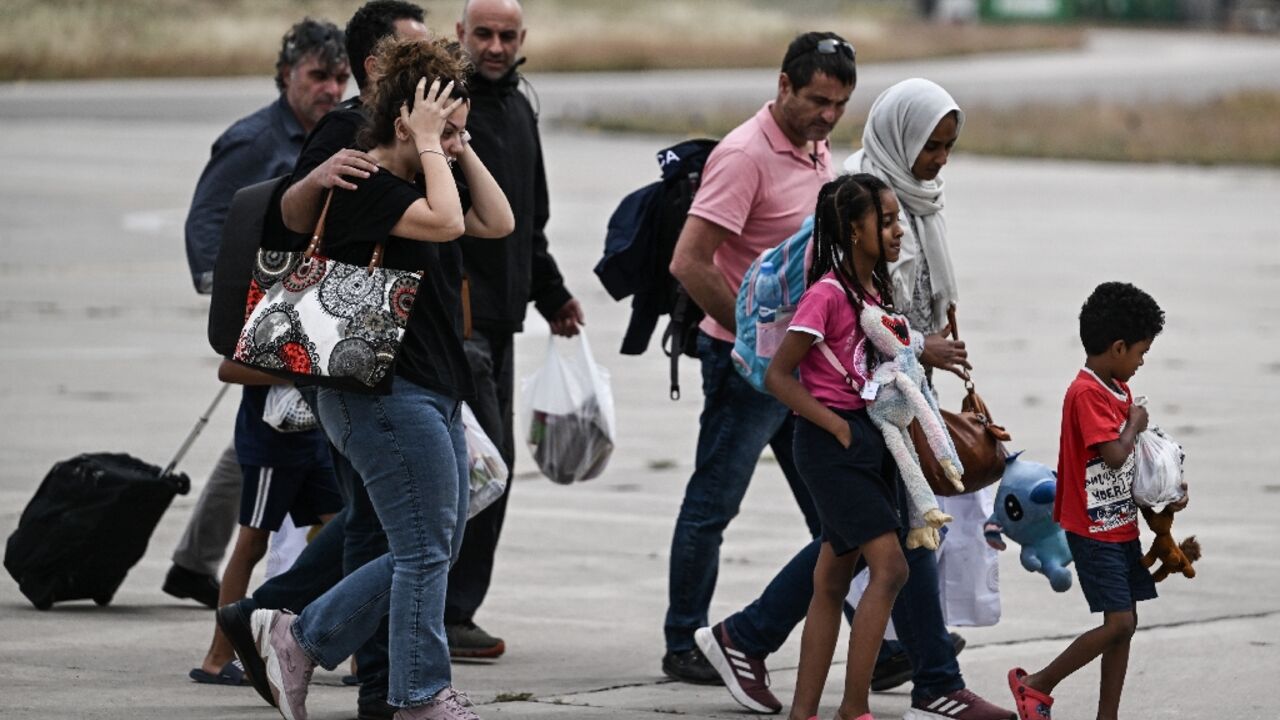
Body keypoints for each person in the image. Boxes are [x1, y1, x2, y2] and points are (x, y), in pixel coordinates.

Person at [696, 79, 1014, 720]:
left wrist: (925, 363)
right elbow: (829, 342)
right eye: (933, 146)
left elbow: (891, 322)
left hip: (884, 413)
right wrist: (853, 411)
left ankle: (764, 651)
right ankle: (916, 686)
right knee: (893, 550)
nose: (941, 159)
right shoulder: (856, 209)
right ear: (902, 137)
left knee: (851, 556)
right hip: (851, 419)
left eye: (949, 146)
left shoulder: (910, 204)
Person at [242, 37, 513, 720]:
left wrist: (455, 140)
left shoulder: (430, 173)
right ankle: (419, 694)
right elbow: (450, 223)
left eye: (458, 131)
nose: (452, 143)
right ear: (403, 125)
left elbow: (495, 220)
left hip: (429, 389)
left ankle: (300, 635)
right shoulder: (366, 182)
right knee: (423, 549)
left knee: (435, 547)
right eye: (444, 130)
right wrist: (428, 139)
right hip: (379, 394)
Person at [216, 5, 431, 719]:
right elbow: (291, 218)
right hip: (369, 358)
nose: (434, 69)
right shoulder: (349, 127)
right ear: (378, 66)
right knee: (389, 528)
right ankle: (365, 676)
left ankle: (274, 617)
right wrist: (324, 177)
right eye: (416, 56)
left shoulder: (424, 131)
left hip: (416, 354)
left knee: (392, 524)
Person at [663, 31, 855, 684]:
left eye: (839, 104)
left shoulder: (814, 145)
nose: (827, 116)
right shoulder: (745, 155)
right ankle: (684, 641)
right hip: (747, 371)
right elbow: (689, 261)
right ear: (783, 85)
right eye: (817, 100)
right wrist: (754, 340)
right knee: (713, 504)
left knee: (839, 514)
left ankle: (883, 645)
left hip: (801, 371)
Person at [164, 17, 350, 609]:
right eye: (319, 75)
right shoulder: (253, 141)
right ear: (286, 75)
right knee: (262, 442)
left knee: (259, 442)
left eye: (340, 77)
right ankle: (218, 591)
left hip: (300, 315)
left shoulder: (332, 137)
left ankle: (195, 563)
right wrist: (236, 304)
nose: (331, 88)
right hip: (260, 316)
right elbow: (208, 220)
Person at [447, 0, 584, 659]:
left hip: (501, 325)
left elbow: (531, 222)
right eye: (484, 34)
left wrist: (551, 292)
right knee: (481, 472)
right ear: (459, 35)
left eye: (507, 35)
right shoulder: (443, 107)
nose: (496, 46)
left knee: (486, 474)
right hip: (455, 324)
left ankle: (451, 611)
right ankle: (439, 612)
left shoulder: (519, 109)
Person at [767, 173, 910, 720]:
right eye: (888, 220)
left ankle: (803, 713)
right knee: (890, 568)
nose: (898, 231)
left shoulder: (875, 292)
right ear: (854, 230)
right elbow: (779, 376)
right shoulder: (827, 294)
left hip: (868, 444)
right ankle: (853, 707)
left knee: (830, 579)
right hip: (833, 448)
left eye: (899, 220)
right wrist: (836, 426)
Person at [1007, 282, 1177, 720]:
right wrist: (1135, 425)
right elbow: (1115, 453)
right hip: (1092, 529)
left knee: (1125, 626)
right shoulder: (1086, 393)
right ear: (1118, 346)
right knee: (1118, 622)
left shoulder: (1115, 387)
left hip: (1119, 524)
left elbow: (1126, 467)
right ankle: (1036, 685)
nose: (1141, 362)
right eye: (1140, 352)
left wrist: (1165, 492)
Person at [190, 367, 343, 686]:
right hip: (271, 443)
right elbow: (230, 368)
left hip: (316, 435)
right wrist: (306, 372)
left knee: (348, 535)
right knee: (252, 543)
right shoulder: (255, 316)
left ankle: (367, 664)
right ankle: (217, 658)